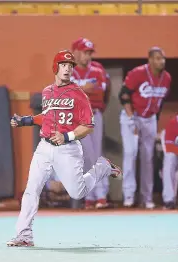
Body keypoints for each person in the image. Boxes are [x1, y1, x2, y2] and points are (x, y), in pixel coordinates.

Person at [7, 50, 122, 247]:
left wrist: (67, 135)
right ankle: (24, 235)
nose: (68, 68)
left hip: (68, 148)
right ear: (55, 67)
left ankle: (102, 167)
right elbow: (48, 117)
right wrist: (26, 120)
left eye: (70, 66)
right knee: (31, 189)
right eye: (63, 65)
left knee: (77, 193)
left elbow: (88, 126)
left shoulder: (78, 94)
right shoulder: (47, 91)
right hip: (44, 147)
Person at [118, 47, 172, 209]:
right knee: (130, 153)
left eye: (162, 58)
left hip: (149, 119)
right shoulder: (138, 73)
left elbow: (159, 103)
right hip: (131, 116)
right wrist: (131, 119)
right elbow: (123, 95)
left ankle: (147, 197)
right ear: (150, 60)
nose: (160, 61)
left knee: (148, 158)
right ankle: (128, 195)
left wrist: (155, 122)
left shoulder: (167, 78)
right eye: (157, 58)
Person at [70, 38, 111, 209]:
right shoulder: (67, 70)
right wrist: (81, 90)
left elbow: (104, 90)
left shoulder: (98, 69)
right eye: (85, 52)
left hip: (95, 114)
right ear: (76, 52)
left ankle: (99, 196)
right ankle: (93, 195)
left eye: (90, 53)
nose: (88, 56)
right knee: (87, 155)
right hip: (78, 118)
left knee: (96, 154)